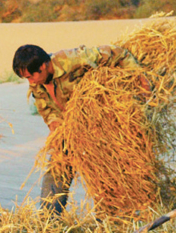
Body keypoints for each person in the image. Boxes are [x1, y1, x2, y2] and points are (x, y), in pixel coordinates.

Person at [12, 43, 141, 214]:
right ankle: (49, 221)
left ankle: (112, 220)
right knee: (57, 167)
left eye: (30, 76)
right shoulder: (37, 82)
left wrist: (140, 79)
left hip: (98, 125)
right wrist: (55, 126)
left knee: (102, 173)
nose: (30, 82)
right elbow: (47, 110)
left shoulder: (72, 59)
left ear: (43, 66)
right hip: (70, 128)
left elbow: (118, 53)